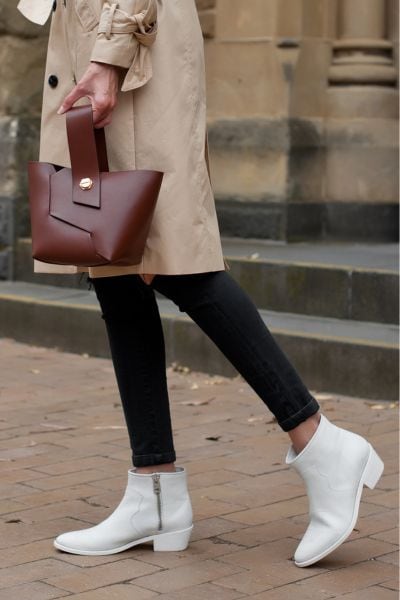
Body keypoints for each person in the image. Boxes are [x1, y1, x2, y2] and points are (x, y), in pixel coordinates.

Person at [18, 0, 384, 567]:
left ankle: (320, 441)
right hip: (99, 37)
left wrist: (110, 54)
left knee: (177, 261)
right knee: (114, 268)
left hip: (126, 43)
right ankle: (154, 490)